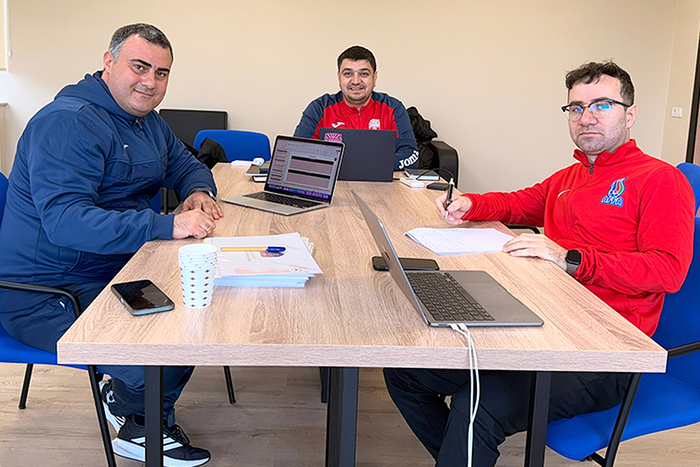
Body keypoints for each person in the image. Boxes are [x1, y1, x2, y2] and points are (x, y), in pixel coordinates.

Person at [383, 61, 695, 467]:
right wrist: (470, 203)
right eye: (576, 108)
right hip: (542, 323)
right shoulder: (570, 177)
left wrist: (569, 259)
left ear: (630, 114)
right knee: (404, 372)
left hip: (604, 351)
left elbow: (667, 271)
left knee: (477, 405)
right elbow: (520, 202)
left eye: (601, 105)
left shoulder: (661, 180)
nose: (586, 117)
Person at [0, 24, 221, 467]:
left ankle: (123, 398)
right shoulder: (66, 123)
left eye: (161, 73)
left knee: (200, 314)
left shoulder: (146, 121)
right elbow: (66, 223)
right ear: (109, 61)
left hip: (111, 269)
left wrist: (198, 190)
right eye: (139, 67)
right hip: (46, 292)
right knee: (169, 342)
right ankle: (139, 427)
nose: (150, 82)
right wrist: (167, 225)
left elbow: (184, 164)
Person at [293, 45, 419, 171]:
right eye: (348, 74)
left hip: (380, 181)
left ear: (374, 78)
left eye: (364, 74)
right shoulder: (319, 108)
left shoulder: (393, 108)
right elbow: (297, 153)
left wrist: (367, 167)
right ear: (339, 77)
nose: (356, 81)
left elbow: (411, 156)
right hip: (333, 181)